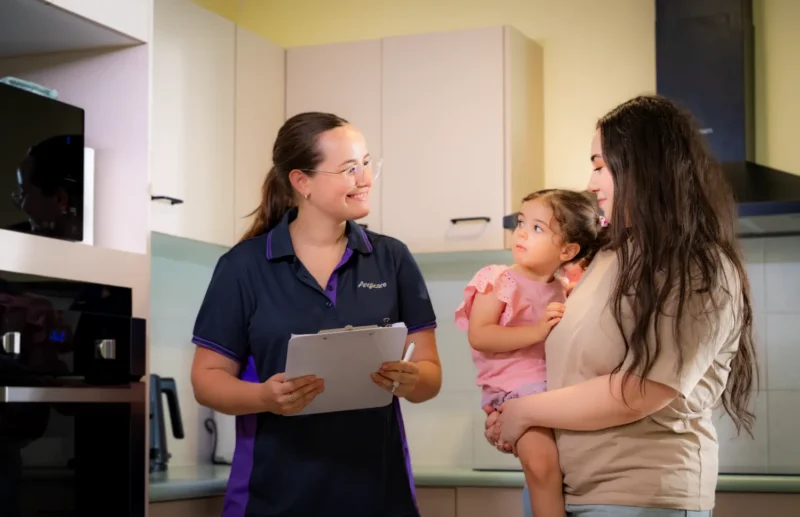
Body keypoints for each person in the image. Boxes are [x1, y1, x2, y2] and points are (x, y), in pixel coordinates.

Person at [488, 95, 757, 517]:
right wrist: (512, 417)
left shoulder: (698, 266)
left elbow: (642, 390)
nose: (592, 183)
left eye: (600, 165)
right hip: (571, 491)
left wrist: (523, 410)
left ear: (644, 167)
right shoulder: (609, 259)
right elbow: (574, 380)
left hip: (638, 497)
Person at [190, 112, 441, 517]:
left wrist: (410, 379)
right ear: (302, 182)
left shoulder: (391, 258)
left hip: (378, 496)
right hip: (271, 499)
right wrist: (263, 397)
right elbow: (206, 379)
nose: (365, 178)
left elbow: (430, 378)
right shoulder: (243, 266)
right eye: (348, 168)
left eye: (366, 163)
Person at [454, 189, 603, 517]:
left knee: (560, 467)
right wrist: (536, 331)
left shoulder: (561, 289)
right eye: (521, 222)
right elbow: (480, 335)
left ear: (567, 249)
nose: (520, 232)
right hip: (514, 389)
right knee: (541, 467)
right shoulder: (498, 279)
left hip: (552, 391)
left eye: (537, 228)